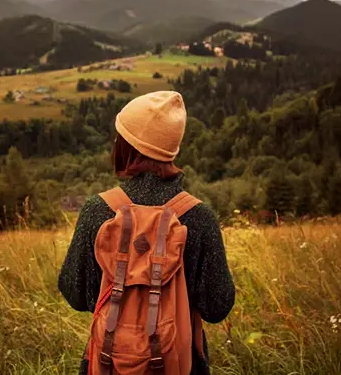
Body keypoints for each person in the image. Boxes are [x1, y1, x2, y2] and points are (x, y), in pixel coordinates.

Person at [58, 91, 235, 375]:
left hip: (109, 361)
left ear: (126, 146)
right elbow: (218, 307)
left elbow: (74, 293)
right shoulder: (199, 217)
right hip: (180, 364)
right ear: (171, 149)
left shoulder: (97, 210)